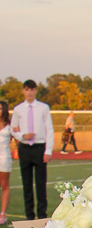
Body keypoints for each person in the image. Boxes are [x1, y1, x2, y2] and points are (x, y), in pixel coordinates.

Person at [10, 80, 53, 219]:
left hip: (39, 147)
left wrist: (48, 150)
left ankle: (42, 215)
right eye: (27, 89)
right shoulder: (18, 109)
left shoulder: (43, 108)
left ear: (36, 91)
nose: (29, 92)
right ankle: (29, 215)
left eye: (32, 89)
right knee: (27, 184)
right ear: (23, 91)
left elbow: (49, 129)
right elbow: (13, 129)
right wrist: (23, 135)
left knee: (41, 184)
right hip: (25, 148)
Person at [0, 101, 11, 224]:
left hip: (4, 157)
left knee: (4, 184)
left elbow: (17, 137)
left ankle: (3, 213)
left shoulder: (9, 125)